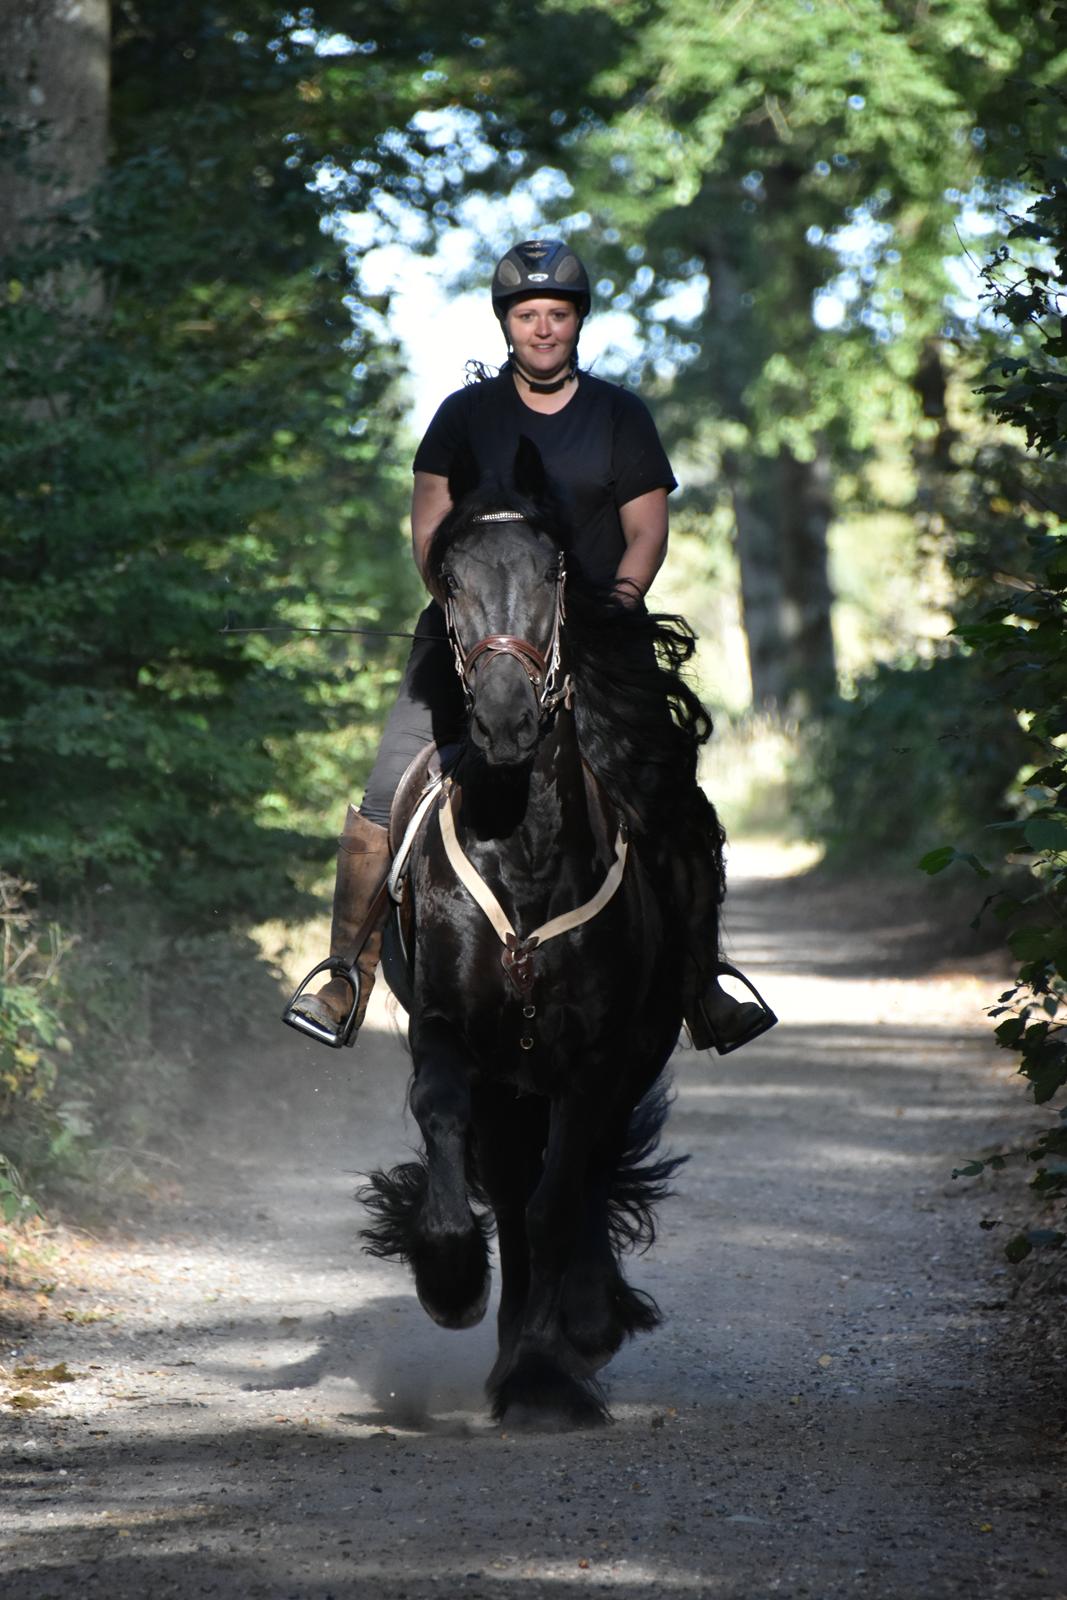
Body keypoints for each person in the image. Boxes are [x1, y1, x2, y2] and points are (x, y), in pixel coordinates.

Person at [287, 239, 775, 1053]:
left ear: (577, 321)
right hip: (472, 640)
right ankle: (346, 976)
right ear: (505, 324)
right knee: (380, 796)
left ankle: (701, 980)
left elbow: (646, 532)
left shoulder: (619, 415)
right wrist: (467, 618)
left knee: (673, 795)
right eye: (527, 315)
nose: (543, 328)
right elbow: (429, 532)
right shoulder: (462, 417)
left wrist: (613, 611)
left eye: (557, 314)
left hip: (596, 640)